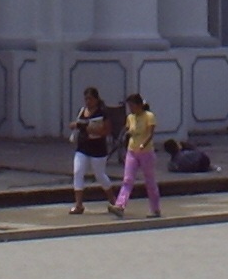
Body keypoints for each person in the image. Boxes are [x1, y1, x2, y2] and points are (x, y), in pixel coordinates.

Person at [109, 93, 161, 218]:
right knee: (127, 180)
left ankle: (155, 208)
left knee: (150, 181)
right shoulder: (130, 117)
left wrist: (144, 144)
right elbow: (128, 130)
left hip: (146, 152)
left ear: (139, 105)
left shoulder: (149, 116)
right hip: (132, 151)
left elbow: (150, 134)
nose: (131, 109)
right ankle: (120, 205)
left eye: (132, 106)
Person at [67, 86, 117, 215]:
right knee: (78, 172)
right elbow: (77, 125)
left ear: (96, 99)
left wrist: (90, 128)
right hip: (83, 147)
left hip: (98, 148)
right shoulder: (82, 111)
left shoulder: (102, 113)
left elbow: (106, 131)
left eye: (90, 99)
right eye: (86, 99)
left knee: (99, 175)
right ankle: (78, 205)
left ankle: (113, 200)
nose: (88, 102)